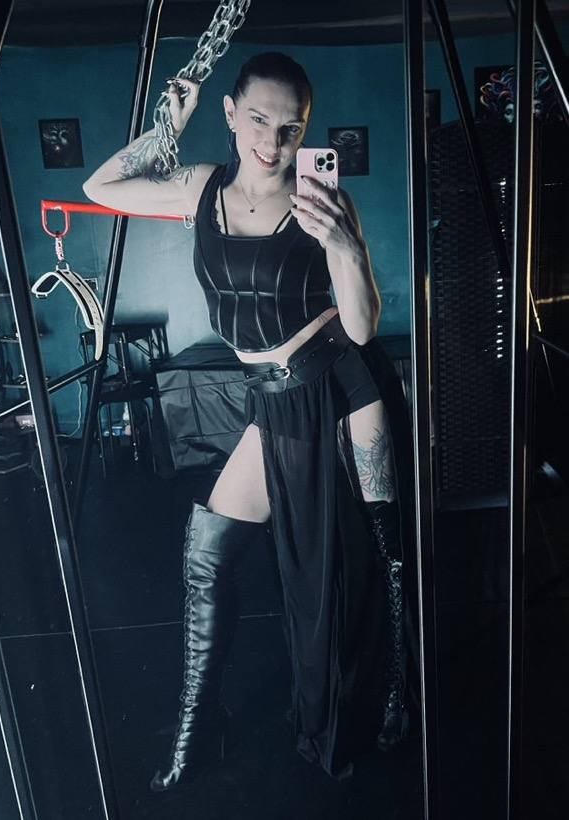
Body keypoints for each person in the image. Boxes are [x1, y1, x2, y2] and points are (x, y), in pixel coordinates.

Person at [83, 51, 419, 790]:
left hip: (340, 389)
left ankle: (393, 696)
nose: (273, 142)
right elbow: (99, 187)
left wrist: (343, 243)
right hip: (271, 402)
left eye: (290, 128)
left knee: (379, 555)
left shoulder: (321, 202)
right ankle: (197, 730)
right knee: (207, 555)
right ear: (230, 114)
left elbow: (362, 328)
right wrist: (166, 129)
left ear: (305, 132)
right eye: (259, 120)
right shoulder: (200, 189)